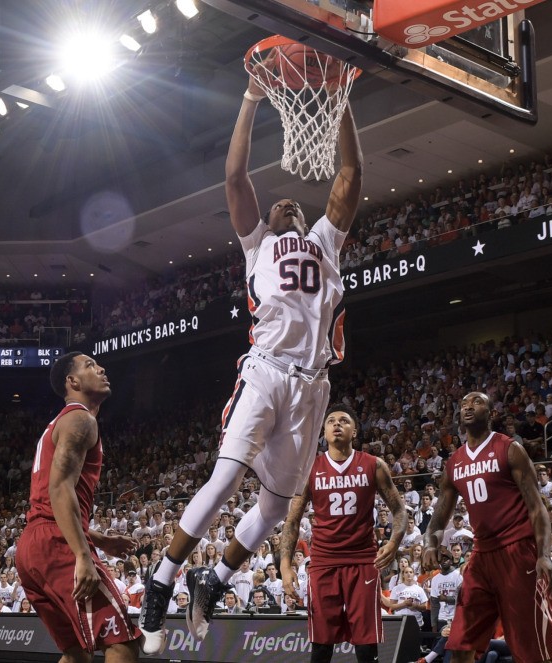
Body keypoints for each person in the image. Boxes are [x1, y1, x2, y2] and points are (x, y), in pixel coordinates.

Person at [140, 60, 364, 654]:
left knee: (274, 506)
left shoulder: (325, 241)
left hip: (313, 385)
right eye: (278, 204)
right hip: (265, 370)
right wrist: (250, 98)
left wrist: (340, 100)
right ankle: (160, 581)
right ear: (263, 222)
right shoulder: (256, 245)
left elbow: (350, 172)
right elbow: (235, 176)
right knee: (226, 475)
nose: (286, 203)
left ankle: (212, 582)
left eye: (294, 203)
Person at [420, 392, 552, 662]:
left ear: (490, 413)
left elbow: (537, 508)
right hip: (481, 555)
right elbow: (440, 514)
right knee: (460, 643)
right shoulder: (454, 462)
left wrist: (544, 555)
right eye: (464, 403)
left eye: (476, 402)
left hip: (518, 550)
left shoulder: (509, 448)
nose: (468, 406)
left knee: (532, 649)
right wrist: (430, 542)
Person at [15, 352, 140, 663]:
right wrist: (83, 554)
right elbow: (59, 488)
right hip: (58, 543)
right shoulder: (79, 418)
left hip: (32, 544)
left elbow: (50, 500)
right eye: (90, 366)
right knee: (122, 641)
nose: (101, 369)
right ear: (72, 381)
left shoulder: (62, 422)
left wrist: (98, 539)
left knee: (76, 653)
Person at [278, 408, 407, 663]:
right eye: (331, 421)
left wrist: (394, 542)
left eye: (344, 421)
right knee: (321, 645)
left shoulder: (373, 464)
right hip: (324, 563)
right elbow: (292, 521)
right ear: (324, 432)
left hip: (363, 561)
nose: (337, 425)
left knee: (366, 646)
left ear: (354, 432)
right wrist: (284, 566)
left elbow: (399, 509)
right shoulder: (309, 468)